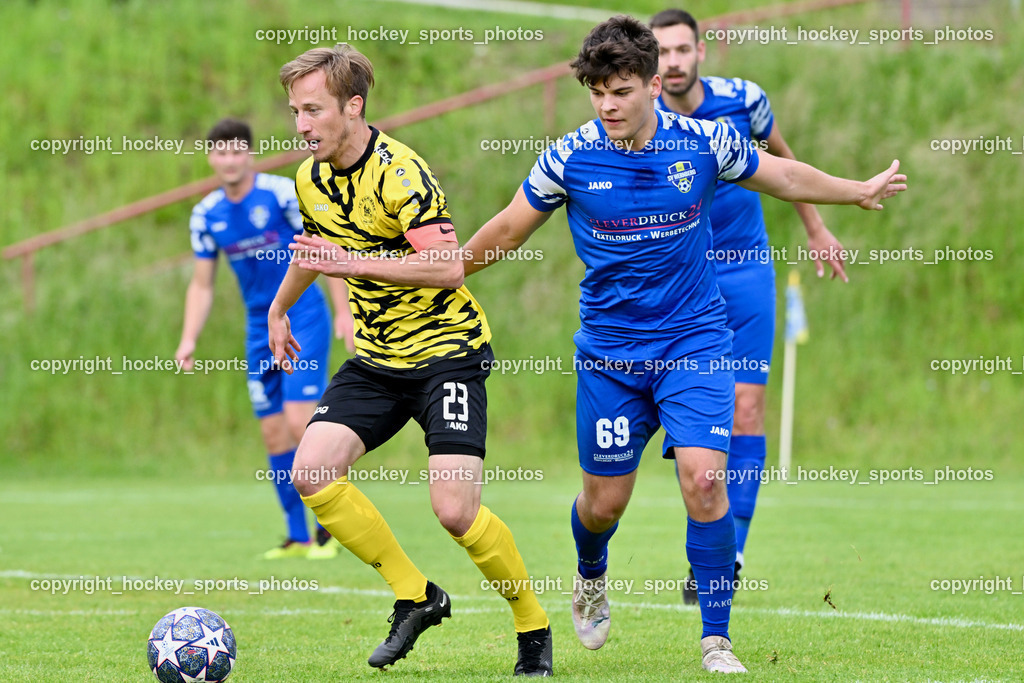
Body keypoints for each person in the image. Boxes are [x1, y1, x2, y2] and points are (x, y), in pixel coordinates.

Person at [461, 15, 905, 674]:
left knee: (704, 477)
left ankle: (716, 637)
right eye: (597, 92)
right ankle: (590, 572)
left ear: (649, 83)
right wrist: (447, 269)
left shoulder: (704, 142)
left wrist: (854, 191)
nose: (608, 105)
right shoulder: (569, 156)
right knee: (605, 502)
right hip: (610, 357)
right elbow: (506, 228)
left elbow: (780, 176)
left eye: (620, 91)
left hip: (695, 341)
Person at [266, 44, 552, 676]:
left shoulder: (401, 174)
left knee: (455, 512)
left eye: (313, 110)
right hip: (375, 359)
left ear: (353, 106)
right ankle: (416, 596)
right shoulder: (310, 177)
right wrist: (279, 309)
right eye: (295, 112)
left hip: (448, 354)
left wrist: (354, 263)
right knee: (310, 470)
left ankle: (532, 625)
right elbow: (317, 250)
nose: (302, 125)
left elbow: (448, 267)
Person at [649, 8, 849, 603]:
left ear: (702, 52)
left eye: (684, 49)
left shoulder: (746, 102)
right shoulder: (641, 118)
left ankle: (726, 556)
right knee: (686, 426)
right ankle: (702, 532)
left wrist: (815, 228)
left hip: (746, 275)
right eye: (663, 52)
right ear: (650, 64)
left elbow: (784, 165)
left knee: (747, 412)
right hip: (681, 285)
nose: (675, 61)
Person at [176, 118, 353, 560]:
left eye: (237, 151)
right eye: (220, 152)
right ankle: (298, 537)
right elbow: (202, 284)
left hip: (302, 315)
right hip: (259, 327)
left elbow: (320, 248)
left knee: (301, 424)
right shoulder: (207, 213)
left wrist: (344, 310)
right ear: (211, 158)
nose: (229, 160)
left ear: (249, 154)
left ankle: (329, 532)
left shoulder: (281, 194)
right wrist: (188, 338)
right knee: (275, 435)